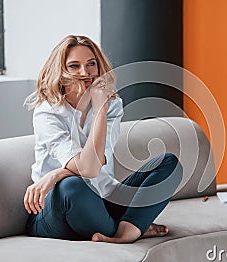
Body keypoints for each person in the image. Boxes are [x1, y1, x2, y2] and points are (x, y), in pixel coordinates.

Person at [24, 35, 183, 243]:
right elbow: (88, 169)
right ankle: (131, 228)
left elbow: (93, 165)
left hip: (103, 200)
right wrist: (63, 177)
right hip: (57, 210)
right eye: (74, 66)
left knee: (170, 164)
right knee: (73, 186)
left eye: (91, 64)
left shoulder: (111, 104)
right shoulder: (48, 113)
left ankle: (125, 231)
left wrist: (54, 174)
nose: (85, 72)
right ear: (61, 72)